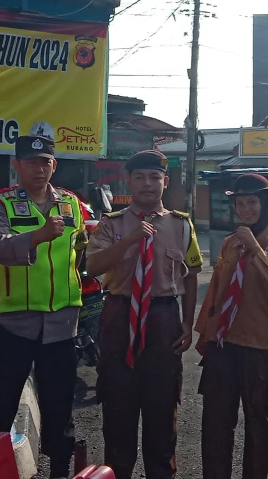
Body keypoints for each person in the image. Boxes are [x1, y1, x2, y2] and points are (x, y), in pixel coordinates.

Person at [85, 150, 203, 479]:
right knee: (118, 410)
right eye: (140, 177)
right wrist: (131, 240)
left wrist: (187, 323)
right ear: (129, 182)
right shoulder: (112, 224)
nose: (147, 184)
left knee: (162, 413)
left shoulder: (181, 225)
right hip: (120, 317)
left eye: (154, 177)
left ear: (165, 182)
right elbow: (92, 266)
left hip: (163, 319)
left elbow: (192, 273)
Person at [0, 135, 87, 478]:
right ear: (16, 165)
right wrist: (39, 235)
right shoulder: (1, 204)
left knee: (60, 408)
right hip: (13, 323)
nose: (39, 169)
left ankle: (58, 471)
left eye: (46, 162)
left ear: (54, 165)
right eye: (31, 162)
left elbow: (86, 249)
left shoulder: (72, 204)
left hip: (61, 324)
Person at [193, 173, 268, 479]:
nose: (246, 209)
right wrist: (205, 335)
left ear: (265, 204)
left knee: (257, 422)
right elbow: (216, 292)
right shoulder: (228, 243)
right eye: (240, 203)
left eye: (252, 202)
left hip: (256, 345)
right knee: (215, 423)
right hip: (222, 344)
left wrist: (255, 248)